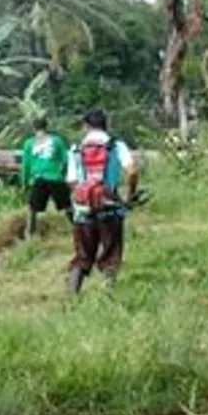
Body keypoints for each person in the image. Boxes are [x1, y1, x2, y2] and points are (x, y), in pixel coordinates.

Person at [66, 109, 139, 294]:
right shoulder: (116, 146)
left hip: (83, 213)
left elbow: (72, 181)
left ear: (86, 126)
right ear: (107, 124)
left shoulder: (76, 149)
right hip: (110, 210)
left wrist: (83, 200)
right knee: (111, 254)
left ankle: (71, 297)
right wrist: (129, 196)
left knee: (82, 256)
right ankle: (108, 293)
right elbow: (132, 171)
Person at [19, 117, 72, 237]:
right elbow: (66, 160)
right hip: (55, 177)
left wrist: (24, 182)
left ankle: (30, 234)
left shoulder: (29, 143)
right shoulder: (56, 140)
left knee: (33, 208)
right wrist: (64, 175)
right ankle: (79, 228)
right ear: (47, 127)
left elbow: (25, 165)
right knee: (67, 206)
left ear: (33, 128)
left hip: (38, 178)